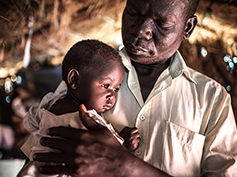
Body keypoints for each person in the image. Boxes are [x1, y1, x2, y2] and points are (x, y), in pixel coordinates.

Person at [32, 0, 237, 176]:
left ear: (188, 28)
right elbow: (40, 156)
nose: (140, 30)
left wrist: (128, 167)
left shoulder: (212, 99)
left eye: (161, 23)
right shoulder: (87, 73)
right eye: (133, 12)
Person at [18, 39, 140, 177]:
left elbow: (29, 122)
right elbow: (108, 154)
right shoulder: (88, 119)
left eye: (116, 89)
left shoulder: (51, 101)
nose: (111, 96)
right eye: (106, 86)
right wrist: (124, 145)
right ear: (74, 80)